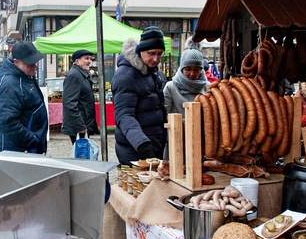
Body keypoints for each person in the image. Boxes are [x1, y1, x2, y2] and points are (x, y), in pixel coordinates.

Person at [111, 26, 167, 164]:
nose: (156, 59)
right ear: (140, 51)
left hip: (154, 144)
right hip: (134, 148)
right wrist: (142, 143)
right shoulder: (125, 76)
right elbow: (124, 115)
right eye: (151, 53)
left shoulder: (152, 72)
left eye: (159, 54)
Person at [0, 41, 48, 154]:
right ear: (16, 63)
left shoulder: (25, 77)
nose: (35, 65)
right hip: (19, 150)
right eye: (30, 63)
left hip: (27, 147)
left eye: (35, 61)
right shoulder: (10, 84)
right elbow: (6, 121)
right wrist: (32, 140)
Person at [62, 49, 99, 143]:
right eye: (86, 59)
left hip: (84, 123)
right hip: (79, 126)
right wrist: (80, 126)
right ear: (77, 61)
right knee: (81, 154)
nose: (89, 61)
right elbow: (70, 103)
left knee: (84, 154)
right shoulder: (74, 75)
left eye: (90, 59)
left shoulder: (81, 74)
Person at [165, 40, 208, 115]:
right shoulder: (170, 87)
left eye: (196, 69)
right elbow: (164, 114)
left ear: (201, 70)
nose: (192, 73)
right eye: (188, 69)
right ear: (182, 69)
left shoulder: (208, 88)